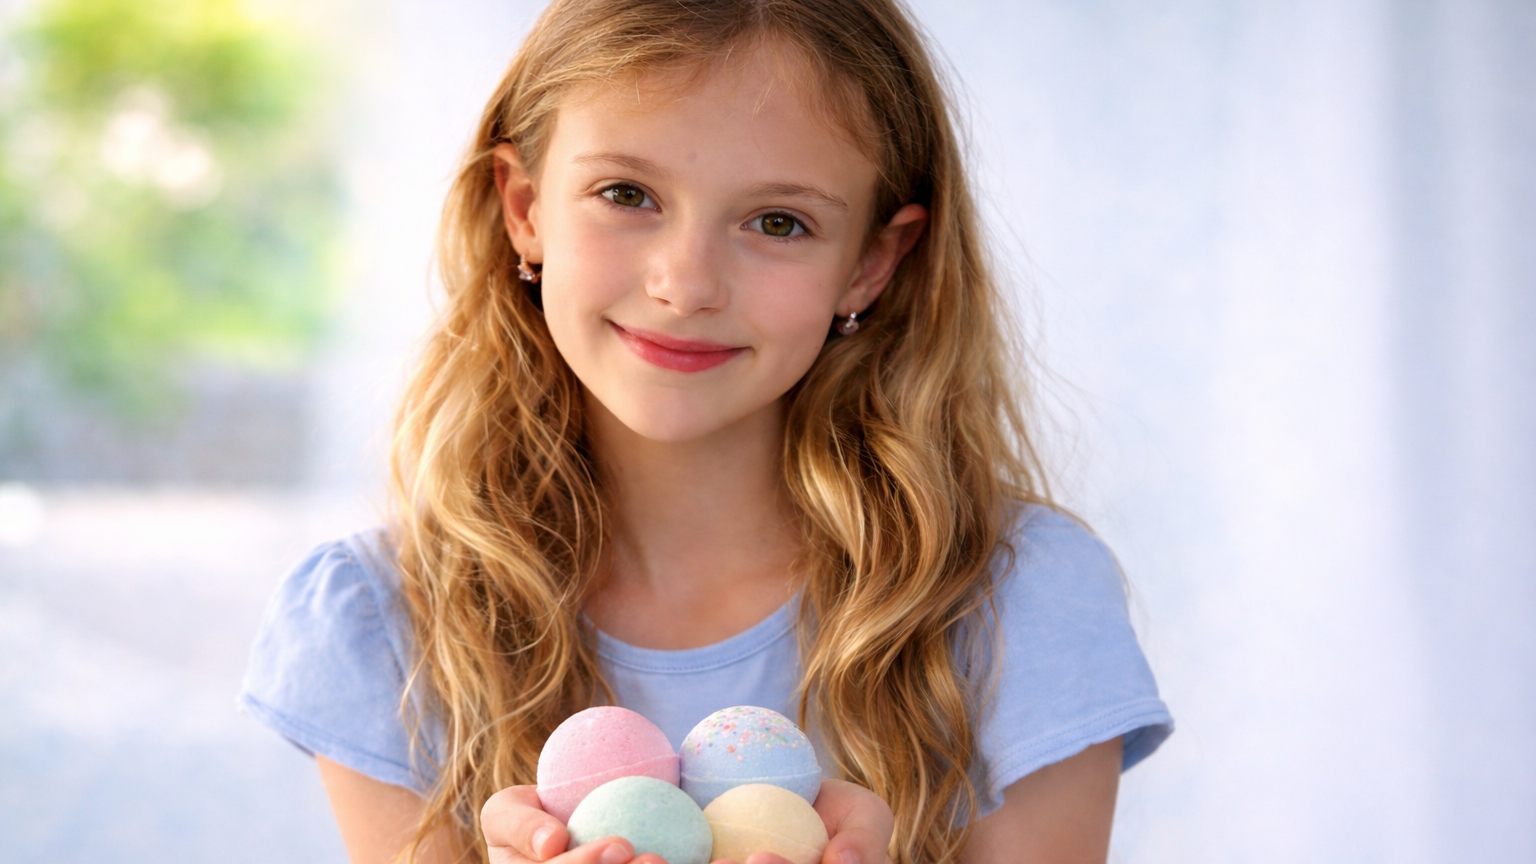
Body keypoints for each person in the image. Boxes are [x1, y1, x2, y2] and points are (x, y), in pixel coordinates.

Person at [241, 1, 1173, 862]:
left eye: (778, 221)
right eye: (626, 195)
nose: (686, 284)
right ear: (524, 209)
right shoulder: (386, 626)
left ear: (871, 264)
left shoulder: (1019, 606)